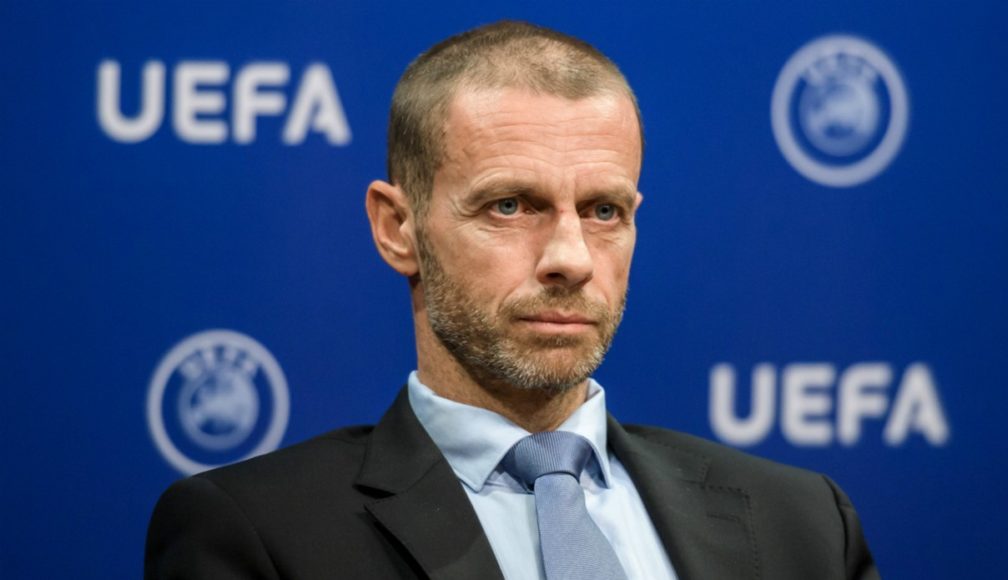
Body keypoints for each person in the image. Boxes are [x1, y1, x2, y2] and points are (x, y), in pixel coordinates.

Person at [145, 21, 879, 580]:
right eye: (510, 206)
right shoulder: (259, 534)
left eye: (603, 211)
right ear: (397, 229)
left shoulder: (805, 525)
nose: (571, 259)